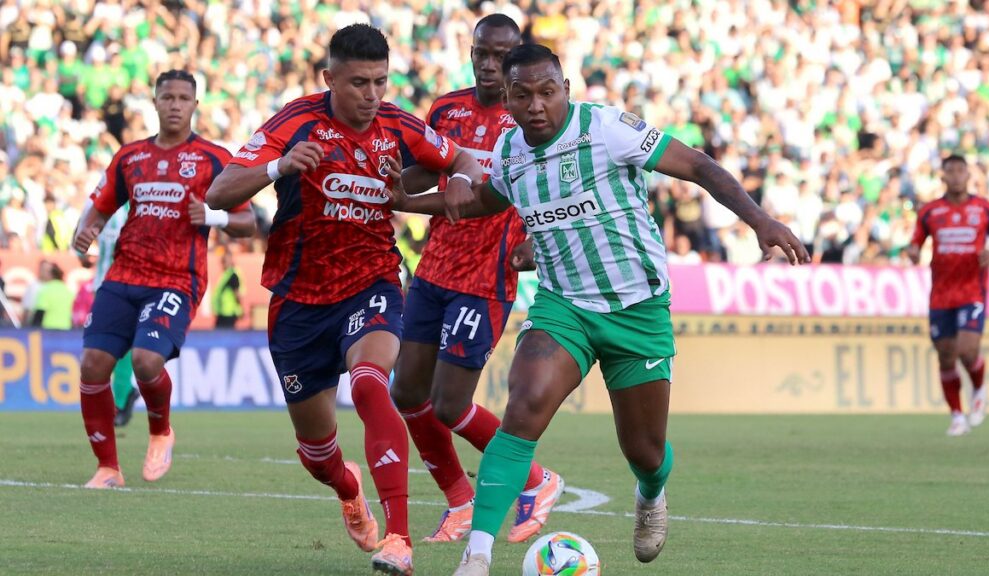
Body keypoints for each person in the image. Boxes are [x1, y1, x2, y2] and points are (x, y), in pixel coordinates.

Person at [383, 44, 810, 576]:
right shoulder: (510, 148)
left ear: (565, 89)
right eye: (522, 95)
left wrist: (760, 221)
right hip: (564, 306)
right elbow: (485, 199)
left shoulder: (607, 129)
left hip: (637, 308)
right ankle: (477, 556)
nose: (536, 105)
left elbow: (698, 166)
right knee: (523, 406)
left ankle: (651, 492)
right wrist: (405, 201)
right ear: (507, 100)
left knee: (644, 450)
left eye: (547, 92)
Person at [205, 24, 483, 576]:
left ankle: (399, 539)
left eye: (380, 82)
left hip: (371, 283)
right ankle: (347, 487)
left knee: (371, 383)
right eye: (359, 83)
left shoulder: (399, 124)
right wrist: (278, 166)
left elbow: (466, 161)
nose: (371, 95)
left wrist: (459, 180)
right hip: (299, 302)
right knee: (317, 455)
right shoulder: (295, 122)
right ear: (329, 78)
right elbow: (218, 192)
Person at [389, 14, 562, 545]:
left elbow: (548, 189)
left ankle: (537, 479)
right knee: (405, 390)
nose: (489, 65)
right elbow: (425, 168)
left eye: (500, 56)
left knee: (449, 404)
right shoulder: (446, 109)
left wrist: (535, 240)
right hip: (434, 268)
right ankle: (459, 500)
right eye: (481, 53)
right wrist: (387, 180)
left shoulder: (529, 120)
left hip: (486, 275)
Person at [71, 69, 256, 489]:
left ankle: (160, 431)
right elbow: (99, 206)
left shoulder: (214, 158)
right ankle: (108, 468)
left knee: (146, 360)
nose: (175, 105)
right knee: (93, 364)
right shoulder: (130, 157)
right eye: (167, 97)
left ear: (195, 105)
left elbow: (247, 222)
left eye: (183, 98)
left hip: (176, 278)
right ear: (155, 102)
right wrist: (86, 232)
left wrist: (212, 216)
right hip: (124, 274)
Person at [908, 154, 989, 436]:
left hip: (972, 290)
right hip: (941, 294)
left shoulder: (985, 209)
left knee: (967, 351)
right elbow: (915, 243)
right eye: (950, 171)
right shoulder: (930, 212)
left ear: (968, 176)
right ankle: (956, 416)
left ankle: (979, 388)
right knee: (945, 356)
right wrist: (912, 252)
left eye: (960, 171)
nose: (955, 176)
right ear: (942, 177)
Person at [79, 203, 141, 427]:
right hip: (105, 285)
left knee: (119, 345)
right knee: (102, 347)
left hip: (129, 285)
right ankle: (123, 395)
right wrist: (83, 250)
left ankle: (121, 398)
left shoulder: (140, 202)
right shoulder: (98, 203)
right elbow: (80, 240)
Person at [28, 261, 73, 329]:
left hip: (48, 329)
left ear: (51, 275)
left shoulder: (46, 289)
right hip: (66, 328)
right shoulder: (68, 291)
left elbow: (40, 313)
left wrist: (32, 328)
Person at [211, 249, 243, 328]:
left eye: (225, 261)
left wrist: (240, 309)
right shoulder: (226, 274)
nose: (223, 263)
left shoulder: (233, 275)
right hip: (222, 312)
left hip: (228, 313)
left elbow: (237, 294)